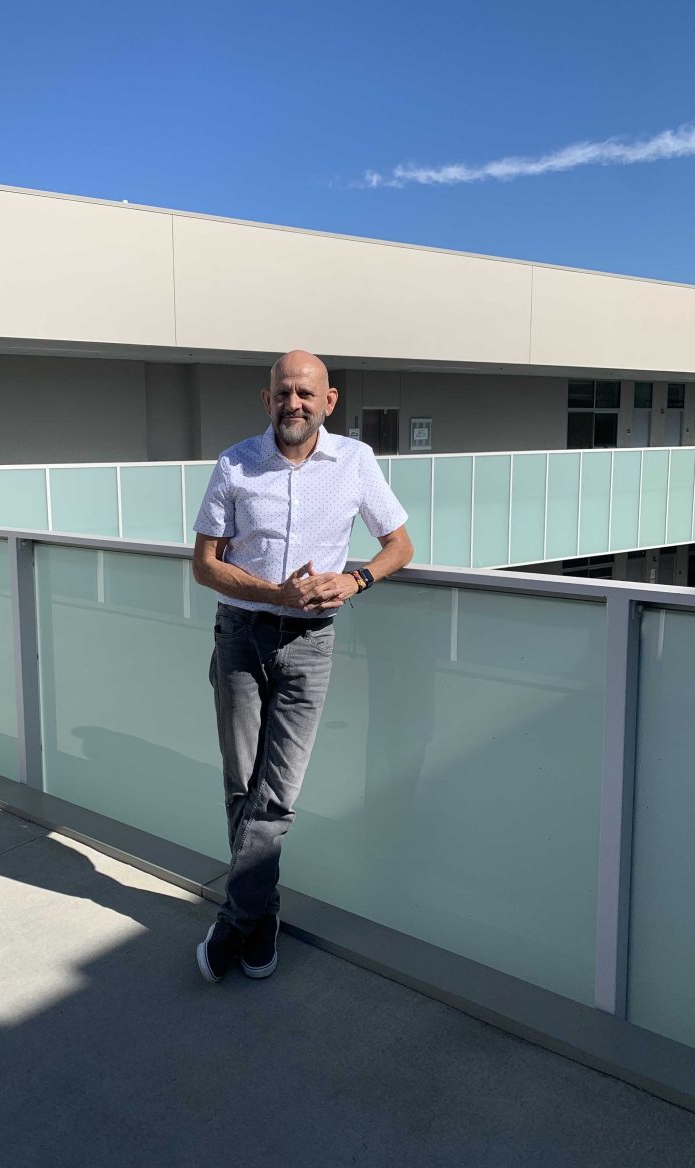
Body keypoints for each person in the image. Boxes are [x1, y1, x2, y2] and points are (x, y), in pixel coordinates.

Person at [191, 349, 413, 982]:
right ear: (268, 401)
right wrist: (273, 593)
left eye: (306, 394)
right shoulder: (235, 462)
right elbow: (205, 564)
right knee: (243, 787)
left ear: (329, 401)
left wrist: (356, 578)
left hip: (311, 645)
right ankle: (261, 919)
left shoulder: (356, 463)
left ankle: (236, 921)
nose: (294, 404)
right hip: (240, 637)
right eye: (284, 393)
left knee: (277, 798)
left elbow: (399, 543)